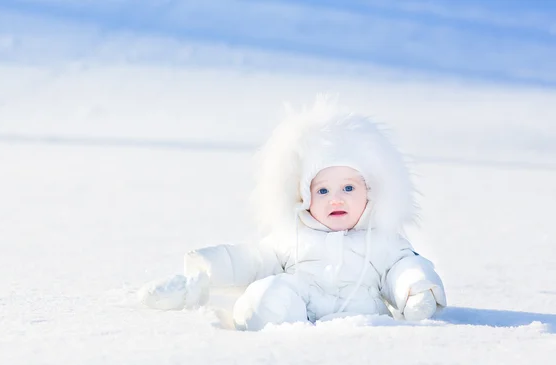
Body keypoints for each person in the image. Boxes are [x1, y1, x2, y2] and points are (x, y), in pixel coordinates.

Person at [138, 97, 447, 331]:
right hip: (298, 327)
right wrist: (208, 268)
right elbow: (253, 259)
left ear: (371, 191)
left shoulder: (383, 242)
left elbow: (406, 267)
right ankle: (198, 296)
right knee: (270, 292)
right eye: (323, 191)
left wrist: (417, 289)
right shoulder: (293, 236)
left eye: (349, 189)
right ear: (304, 196)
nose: (336, 199)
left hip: (366, 329)